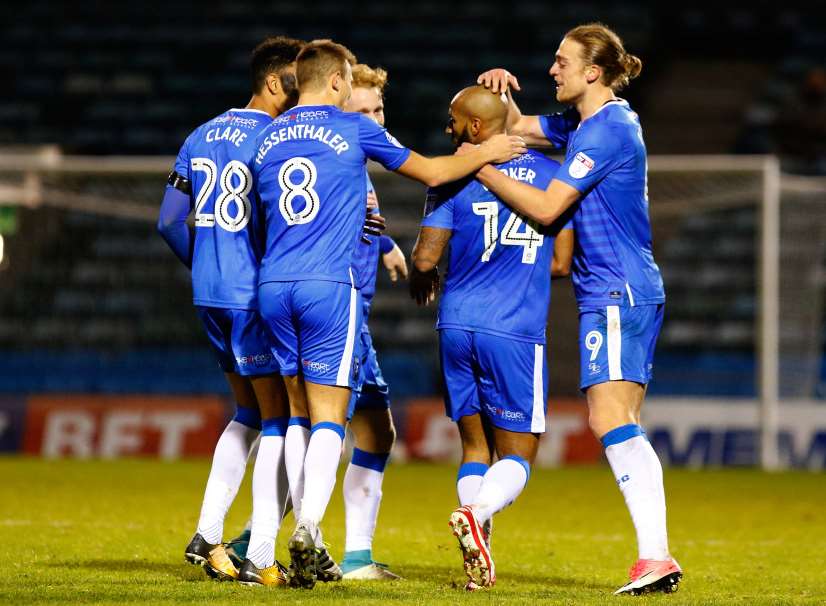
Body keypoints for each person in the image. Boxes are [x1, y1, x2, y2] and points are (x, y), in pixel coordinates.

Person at [252, 38, 525, 588]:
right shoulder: (352, 129)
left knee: (296, 416)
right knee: (330, 417)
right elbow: (429, 172)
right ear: (335, 82)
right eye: (351, 86)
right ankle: (308, 530)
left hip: (271, 285)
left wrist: (382, 243)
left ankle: (267, 542)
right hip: (329, 286)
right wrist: (484, 153)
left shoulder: (266, 139)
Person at [476, 22, 681, 595]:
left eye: (563, 61)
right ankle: (654, 555)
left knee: (609, 419)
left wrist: (482, 167)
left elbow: (546, 208)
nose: (552, 69)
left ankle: (656, 556)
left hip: (616, 287)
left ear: (594, 72)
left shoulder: (605, 131)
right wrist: (500, 100)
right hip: (624, 287)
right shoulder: (588, 122)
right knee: (619, 420)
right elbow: (516, 126)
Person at [410, 84, 573, 590]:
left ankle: (477, 557)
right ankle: (476, 514)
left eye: (455, 120)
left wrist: (427, 274)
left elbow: (425, 260)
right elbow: (563, 263)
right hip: (515, 329)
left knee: (474, 447)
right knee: (520, 454)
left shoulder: (452, 180)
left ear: (477, 128)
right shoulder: (554, 176)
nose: (448, 129)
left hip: (457, 325)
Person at [157, 36, 305, 586]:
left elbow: (169, 221)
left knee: (245, 412)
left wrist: (204, 265)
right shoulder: (274, 138)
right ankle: (259, 557)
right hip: (251, 296)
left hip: (209, 294)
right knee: (278, 419)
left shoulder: (200, 134)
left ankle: (205, 532)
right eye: (296, 78)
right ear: (273, 82)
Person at [338, 63, 407, 581]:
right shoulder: (338, 164)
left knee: (377, 432)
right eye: (361, 111)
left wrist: (386, 246)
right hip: (337, 319)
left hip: (355, 320)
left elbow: (362, 223)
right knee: (315, 434)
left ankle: (358, 555)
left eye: (378, 110)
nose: (373, 121)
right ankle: (258, 540)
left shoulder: (357, 168)